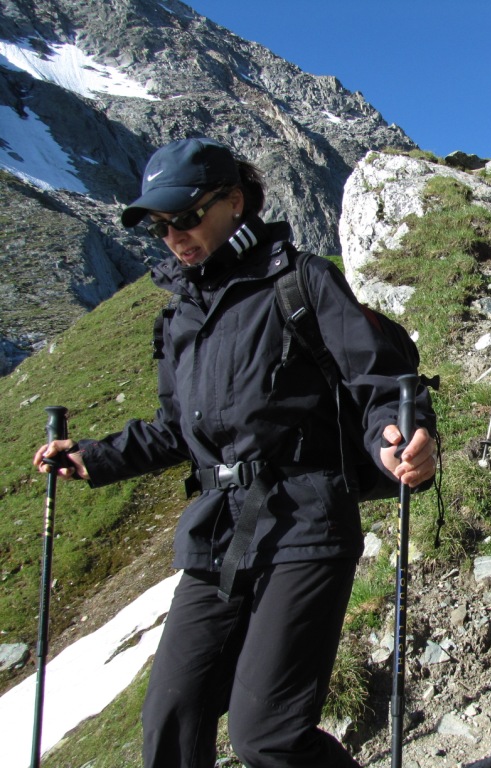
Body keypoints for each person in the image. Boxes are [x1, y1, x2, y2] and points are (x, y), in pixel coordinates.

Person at [33, 137, 437, 767]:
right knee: (171, 717)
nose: (175, 236)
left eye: (187, 217)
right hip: (218, 532)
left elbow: (380, 385)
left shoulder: (301, 282)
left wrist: (399, 443)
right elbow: (179, 430)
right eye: (162, 226)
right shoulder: (178, 321)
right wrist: (94, 457)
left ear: (235, 202)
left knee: (266, 736)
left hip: (307, 523)